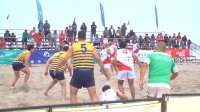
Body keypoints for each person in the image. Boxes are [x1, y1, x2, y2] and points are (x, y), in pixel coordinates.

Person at [57, 31, 107, 103]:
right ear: (85, 37)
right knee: (93, 95)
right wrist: (104, 71)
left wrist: (57, 68)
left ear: (78, 37)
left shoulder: (74, 46)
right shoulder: (91, 46)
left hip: (78, 71)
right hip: (89, 71)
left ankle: (75, 110)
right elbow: (98, 59)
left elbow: (64, 59)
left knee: (73, 94)